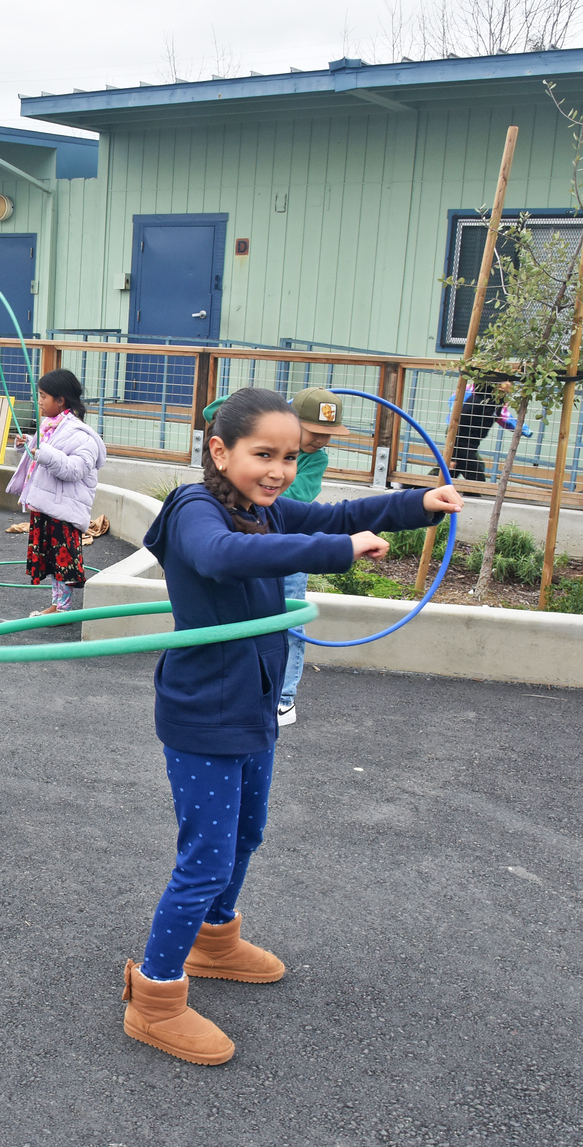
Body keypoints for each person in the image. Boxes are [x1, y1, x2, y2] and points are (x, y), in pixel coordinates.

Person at [122, 387, 462, 1065]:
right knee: (205, 858)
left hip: (254, 705)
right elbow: (221, 557)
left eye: (290, 456)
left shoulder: (265, 510)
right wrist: (336, 550)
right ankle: (154, 996)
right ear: (220, 451)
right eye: (263, 454)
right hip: (204, 712)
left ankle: (215, 939)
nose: (278, 470)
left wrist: (418, 504)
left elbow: (342, 513)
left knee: (247, 833)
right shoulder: (194, 508)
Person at [277, 386, 352, 726]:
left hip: (292, 548)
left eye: (328, 434)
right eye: (315, 431)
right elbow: (215, 412)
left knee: (290, 620)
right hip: (249, 544)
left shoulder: (315, 459)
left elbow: (290, 501)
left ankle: (284, 699)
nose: (322, 440)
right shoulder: (264, 436)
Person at [14, 369, 106, 617]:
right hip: (49, 505)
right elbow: (48, 451)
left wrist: (43, 453)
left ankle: (62, 609)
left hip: (64, 510)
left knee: (63, 561)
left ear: (61, 400)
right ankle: (57, 606)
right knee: (53, 559)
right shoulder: (51, 426)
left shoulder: (81, 436)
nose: (39, 401)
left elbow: (74, 469)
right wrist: (29, 443)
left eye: (43, 396)